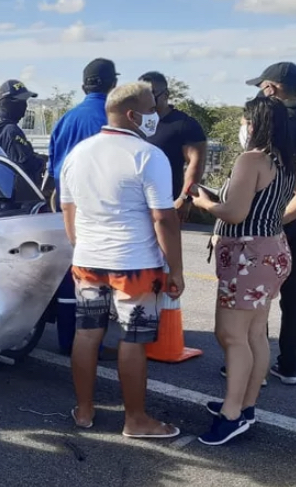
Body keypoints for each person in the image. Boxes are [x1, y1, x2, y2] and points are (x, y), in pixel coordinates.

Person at [60, 81, 183, 439]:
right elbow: (163, 218)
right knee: (133, 338)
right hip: (135, 264)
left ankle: (84, 410)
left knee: (87, 334)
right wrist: (176, 269)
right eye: (151, 108)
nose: (155, 114)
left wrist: (80, 245)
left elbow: (68, 208)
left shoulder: (78, 153)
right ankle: (135, 419)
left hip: (88, 260)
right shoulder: (148, 155)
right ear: (133, 114)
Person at [189, 96, 296, 445]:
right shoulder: (285, 160)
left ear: (255, 123)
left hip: (247, 255)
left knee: (232, 335)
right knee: (254, 334)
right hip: (272, 249)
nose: (243, 127)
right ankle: (245, 406)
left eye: (244, 121)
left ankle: (231, 414)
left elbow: (235, 213)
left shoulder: (252, 159)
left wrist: (204, 203)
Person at [48, 58, 121, 358]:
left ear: (82, 86)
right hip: (98, 211)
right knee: (96, 281)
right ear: (114, 85)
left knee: (71, 275)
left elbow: (52, 167)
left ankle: (68, 339)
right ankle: (92, 344)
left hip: (66, 207)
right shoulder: (111, 120)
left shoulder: (66, 119)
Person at [246, 62, 296, 386]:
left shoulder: (278, 124)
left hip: (272, 224)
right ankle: (289, 364)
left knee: (256, 299)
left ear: (271, 88)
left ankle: (252, 367)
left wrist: (271, 220)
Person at [138, 72, 207, 215]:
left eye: (151, 94)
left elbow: (196, 164)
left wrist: (185, 198)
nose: (145, 99)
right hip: (134, 205)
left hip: (166, 206)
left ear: (166, 95)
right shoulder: (134, 121)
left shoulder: (184, 125)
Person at [0, 79, 45, 186]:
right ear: (8, 103)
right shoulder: (11, 131)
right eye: (21, 102)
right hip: (13, 191)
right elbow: (26, 165)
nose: (25, 106)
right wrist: (43, 162)